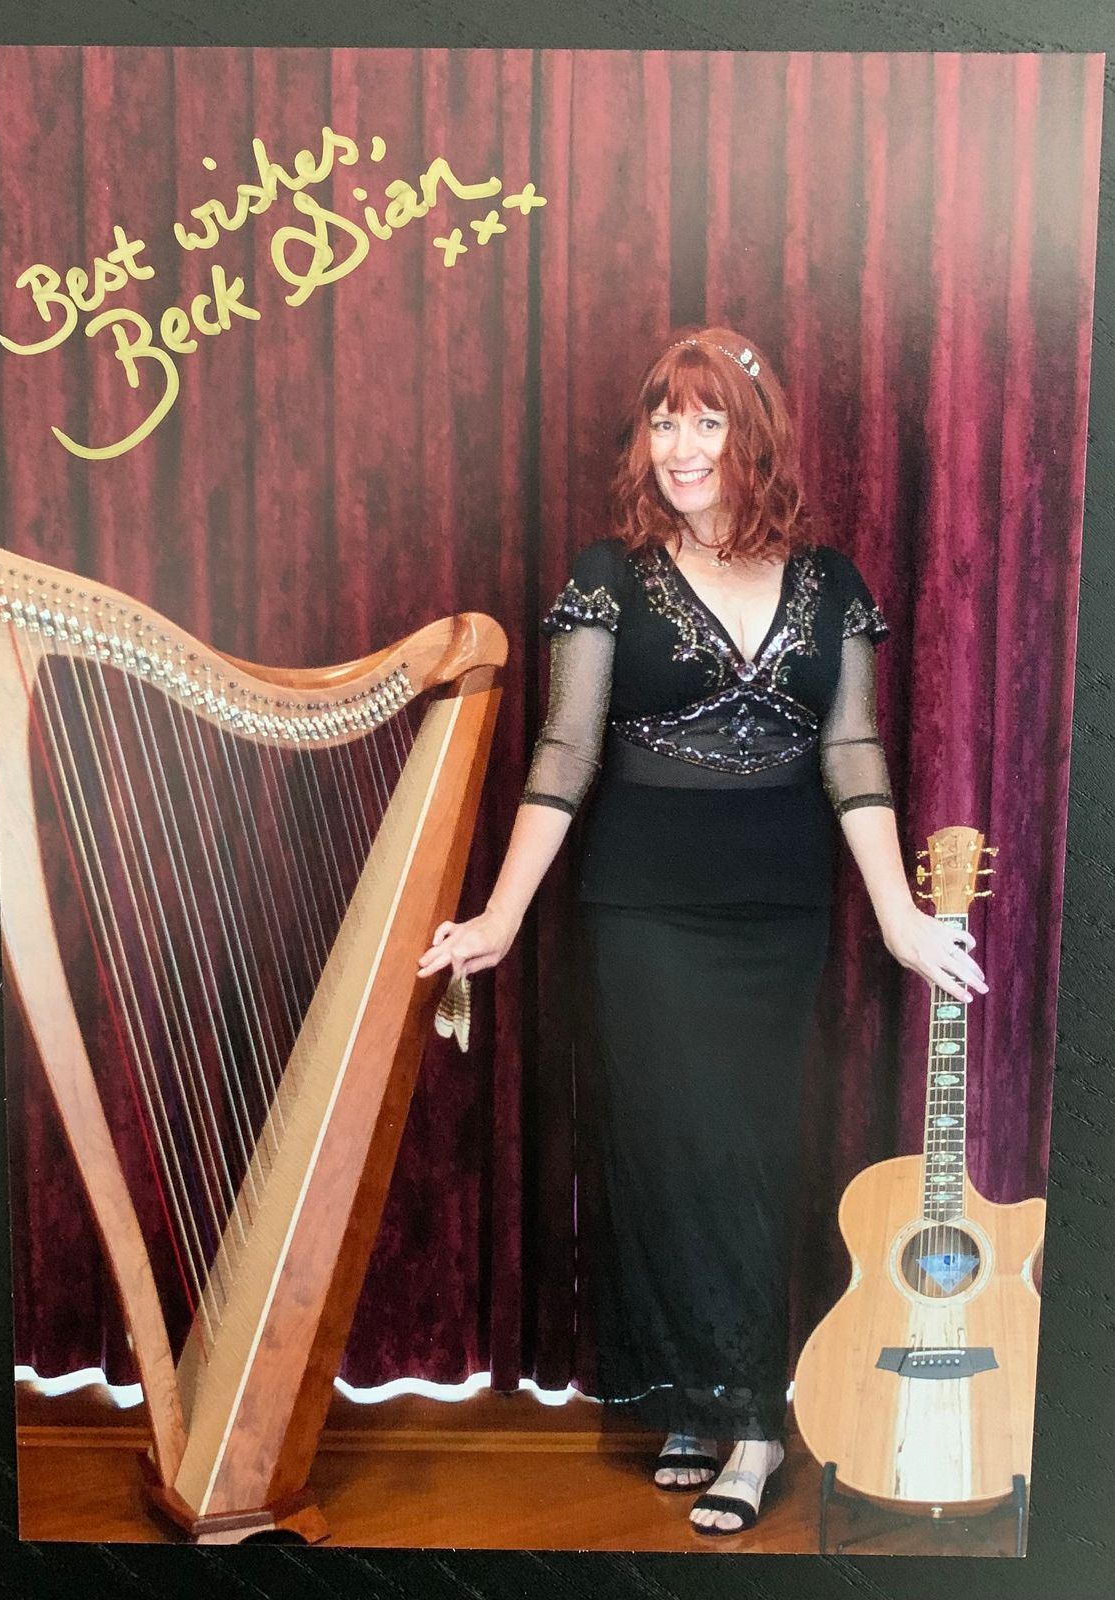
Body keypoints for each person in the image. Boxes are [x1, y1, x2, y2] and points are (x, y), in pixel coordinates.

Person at [417, 326, 987, 1537]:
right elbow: (564, 751)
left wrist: (900, 917)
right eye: (664, 420)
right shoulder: (608, 575)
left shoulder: (831, 582)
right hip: (640, 907)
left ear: (753, 435)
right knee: (664, 1151)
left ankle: (752, 1416)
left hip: (777, 909)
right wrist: (502, 916)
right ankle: (706, 1400)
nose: (681, 445)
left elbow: (853, 751)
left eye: (708, 420)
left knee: (747, 1152)